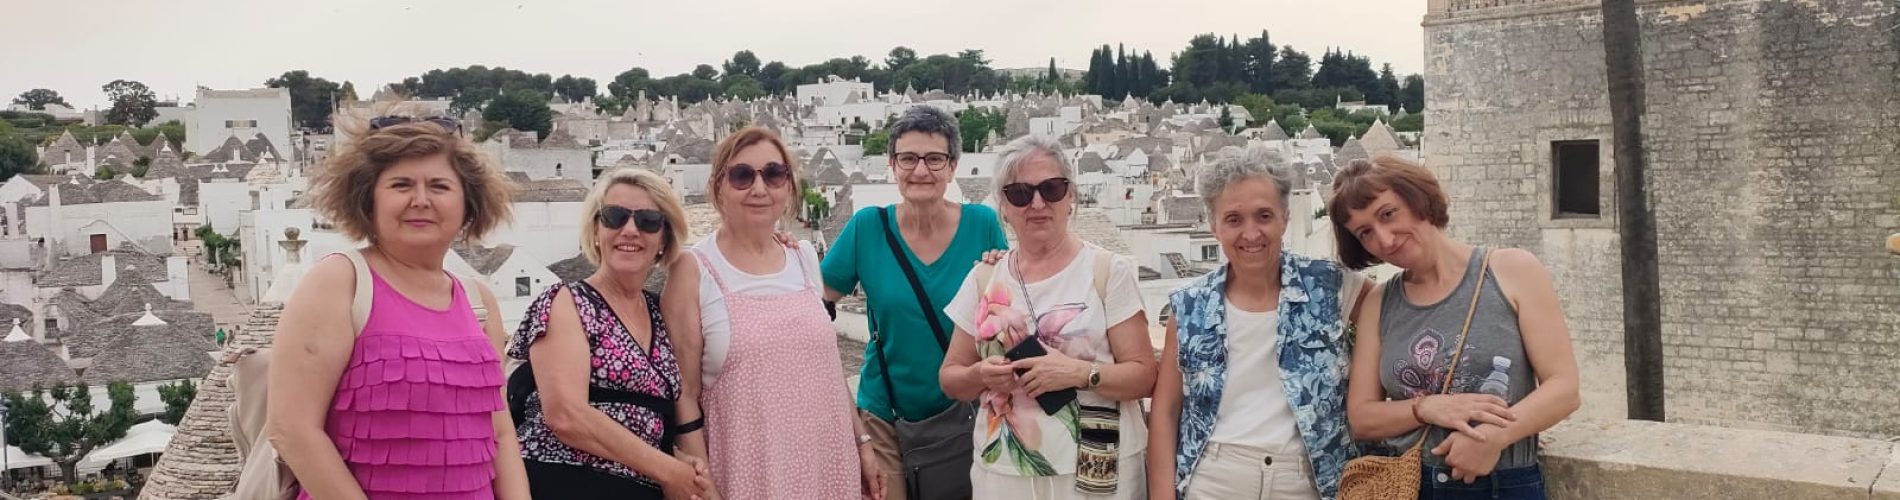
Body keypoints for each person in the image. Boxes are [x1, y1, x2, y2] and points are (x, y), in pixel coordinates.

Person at [269, 114, 530, 499]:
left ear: (467, 204)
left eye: (439, 186)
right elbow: (292, 429)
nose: (420, 200)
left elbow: (500, 432)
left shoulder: (479, 301)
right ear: (369, 200)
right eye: (401, 185)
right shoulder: (341, 283)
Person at [1330, 156, 1581, 499]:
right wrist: (1425, 407)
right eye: (1365, 233)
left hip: (1501, 484)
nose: (1384, 239)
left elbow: (1564, 388)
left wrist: (1495, 437)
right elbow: (1362, 418)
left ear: (1418, 198)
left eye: (1387, 214)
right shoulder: (1380, 303)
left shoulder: (1511, 270)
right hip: (1409, 485)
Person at [1147, 145, 1370, 500]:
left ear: (1285, 217)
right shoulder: (1190, 304)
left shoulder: (1331, 287)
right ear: (1213, 226)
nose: (1251, 233)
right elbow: (1166, 411)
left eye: (1263, 216)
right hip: (1215, 479)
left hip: (1307, 481)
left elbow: (1402, 316)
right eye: (1234, 219)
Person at [939, 135, 1155, 499]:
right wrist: (982, 375)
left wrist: (1080, 373)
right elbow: (950, 377)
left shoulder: (1107, 271)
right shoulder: (984, 279)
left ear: (1070, 197)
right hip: (1006, 476)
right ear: (1003, 206)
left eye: (1051, 189)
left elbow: (1146, 375)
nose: (1037, 203)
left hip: (1099, 473)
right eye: (1020, 193)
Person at [663, 127, 873, 499]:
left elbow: (828, 368)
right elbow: (685, 395)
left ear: (789, 186)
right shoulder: (693, 270)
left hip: (828, 463)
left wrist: (863, 443)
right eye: (742, 175)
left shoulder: (804, 257)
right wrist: (703, 482)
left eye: (774, 174)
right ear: (719, 186)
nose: (759, 188)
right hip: (749, 471)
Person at [822, 107, 1009, 500]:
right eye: (908, 158)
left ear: (953, 166)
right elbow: (815, 303)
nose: (920, 170)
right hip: (884, 411)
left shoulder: (982, 224)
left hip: (963, 412)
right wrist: (784, 254)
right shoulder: (868, 228)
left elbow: (1005, 312)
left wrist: (999, 273)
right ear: (892, 164)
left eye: (934, 159)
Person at [507, 168, 713, 499]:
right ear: (596, 231)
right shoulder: (568, 303)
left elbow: (642, 418)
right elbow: (566, 415)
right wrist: (669, 470)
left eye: (647, 221)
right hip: (565, 483)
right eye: (615, 217)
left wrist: (681, 466)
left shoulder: (659, 314)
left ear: (663, 239)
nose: (630, 230)